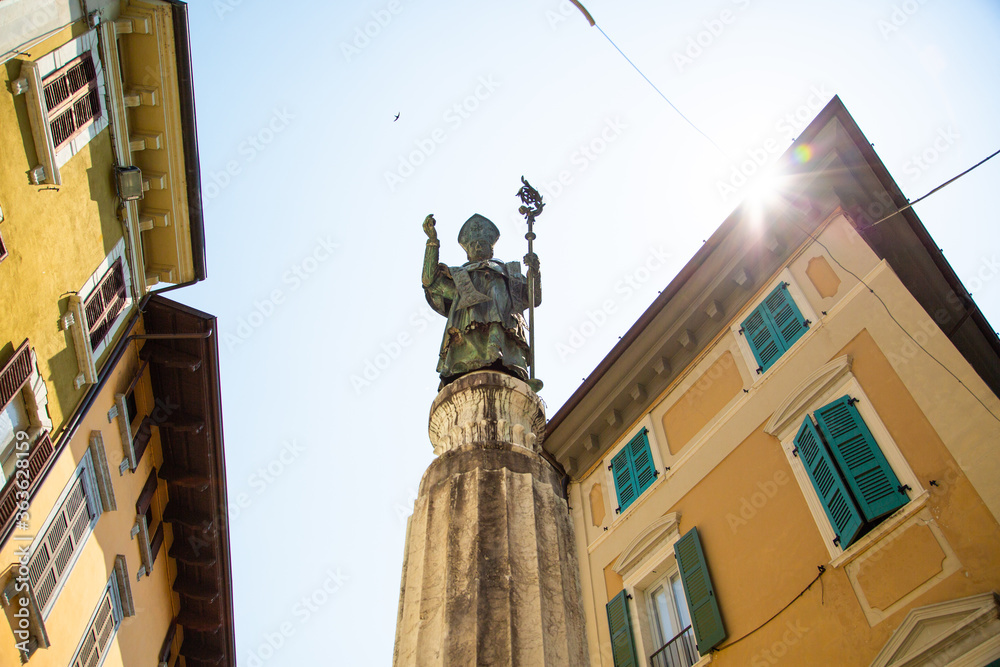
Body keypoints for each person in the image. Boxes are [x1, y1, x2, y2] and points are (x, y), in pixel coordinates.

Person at [421, 213, 542, 390]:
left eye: (482, 244)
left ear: (491, 249)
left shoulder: (509, 272)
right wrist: (432, 242)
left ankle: (501, 352)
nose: (477, 246)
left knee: (496, 289)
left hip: (505, 334)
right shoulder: (458, 276)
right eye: (473, 245)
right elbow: (429, 281)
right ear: (467, 253)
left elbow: (533, 298)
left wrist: (534, 272)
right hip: (466, 336)